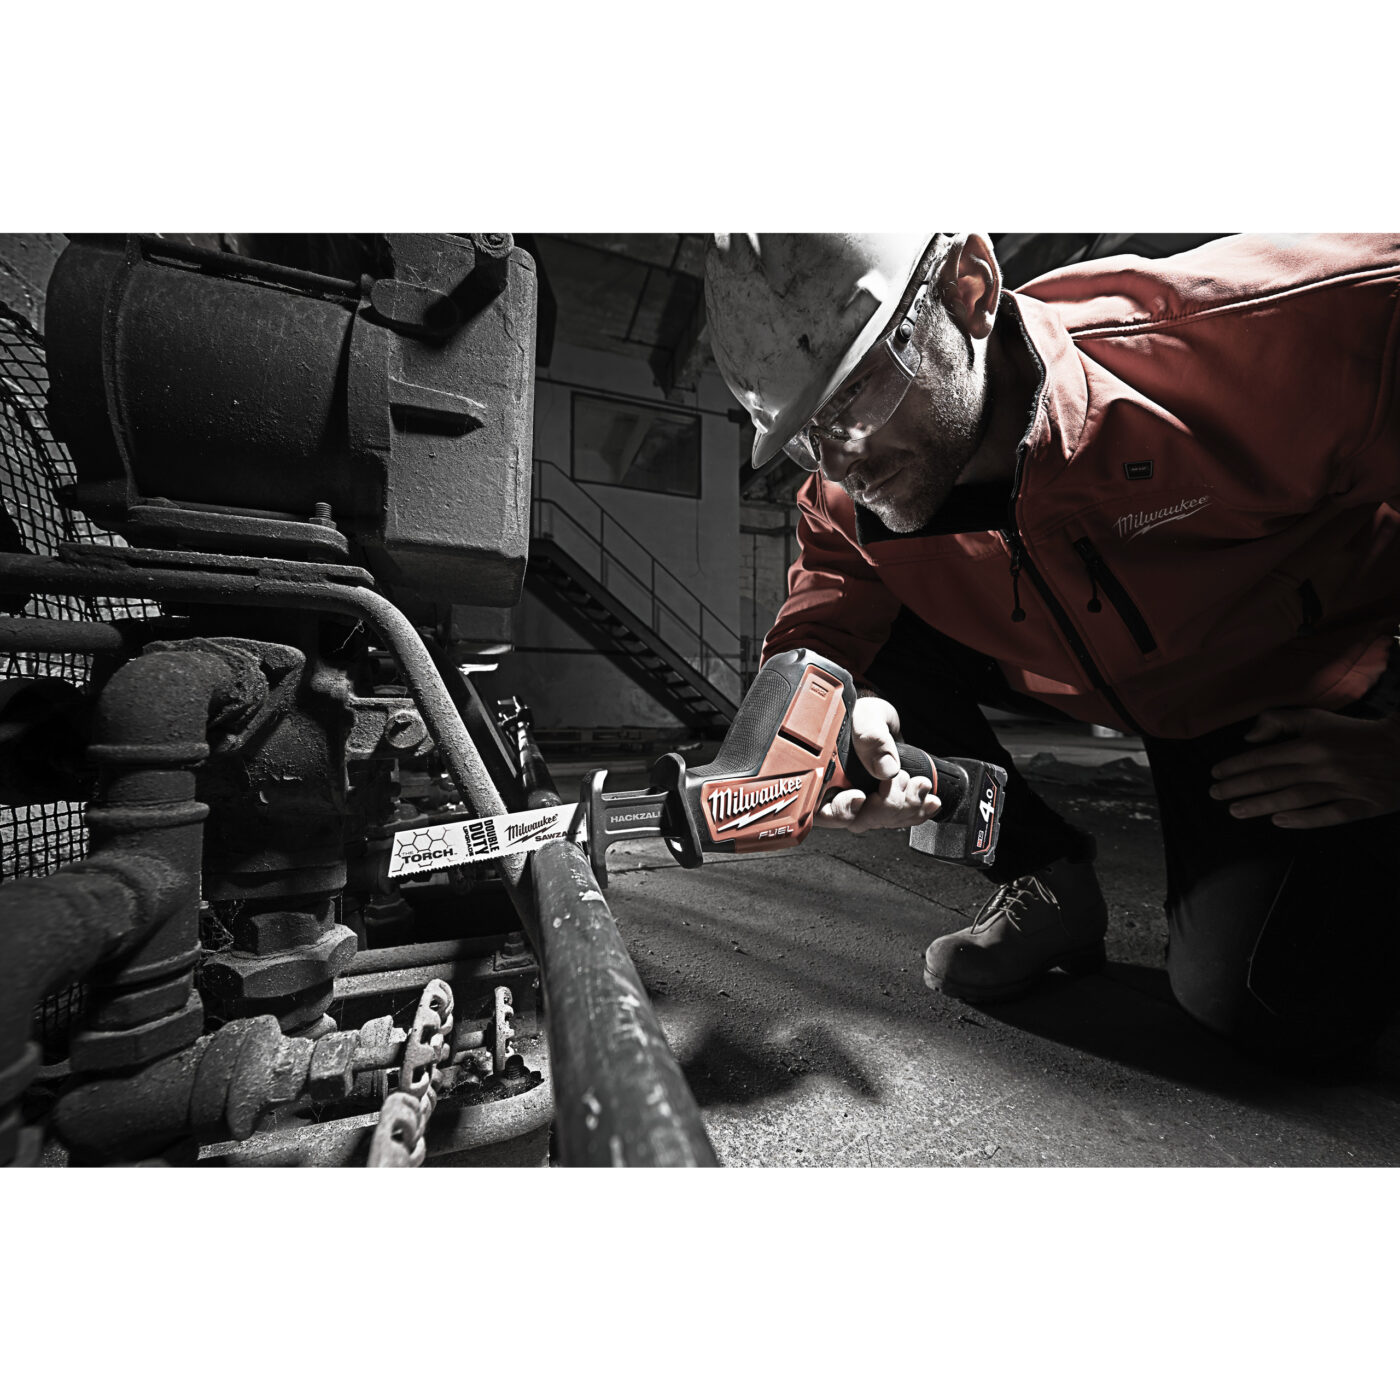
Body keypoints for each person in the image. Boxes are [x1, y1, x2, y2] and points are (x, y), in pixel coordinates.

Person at [705, 232, 1400, 1069]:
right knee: (848, 666)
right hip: (1115, 682)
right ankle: (1047, 877)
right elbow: (822, 625)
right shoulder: (847, 492)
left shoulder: (1294, 331)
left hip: (1290, 682)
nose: (842, 461)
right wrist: (816, 735)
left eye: (857, 395)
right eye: (807, 434)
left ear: (968, 290)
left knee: (1269, 998)